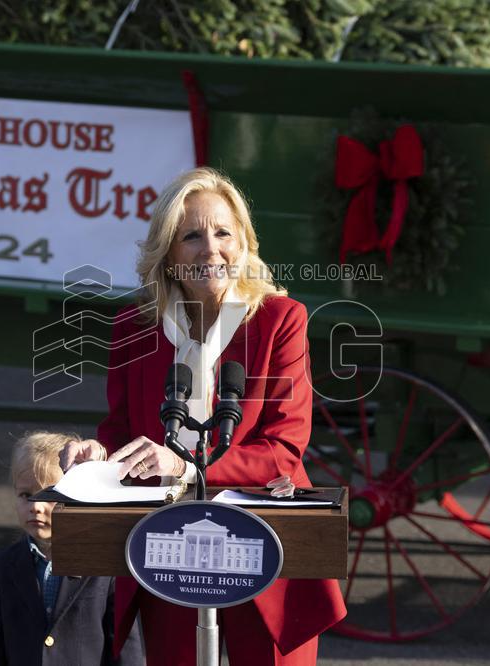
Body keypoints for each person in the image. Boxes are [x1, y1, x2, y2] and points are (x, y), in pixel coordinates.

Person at [59, 167, 347, 665]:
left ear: (244, 244)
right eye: (192, 235)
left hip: (266, 552)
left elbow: (282, 450)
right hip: (168, 551)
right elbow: (121, 435)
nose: (210, 250)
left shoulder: (281, 320)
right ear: (168, 253)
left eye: (222, 233)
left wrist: (188, 468)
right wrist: (95, 458)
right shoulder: (133, 325)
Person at [0, 431, 145, 666]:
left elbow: (124, 647)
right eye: (26, 495)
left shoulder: (104, 566)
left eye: (49, 495)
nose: (35, 507)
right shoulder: (2, 566)